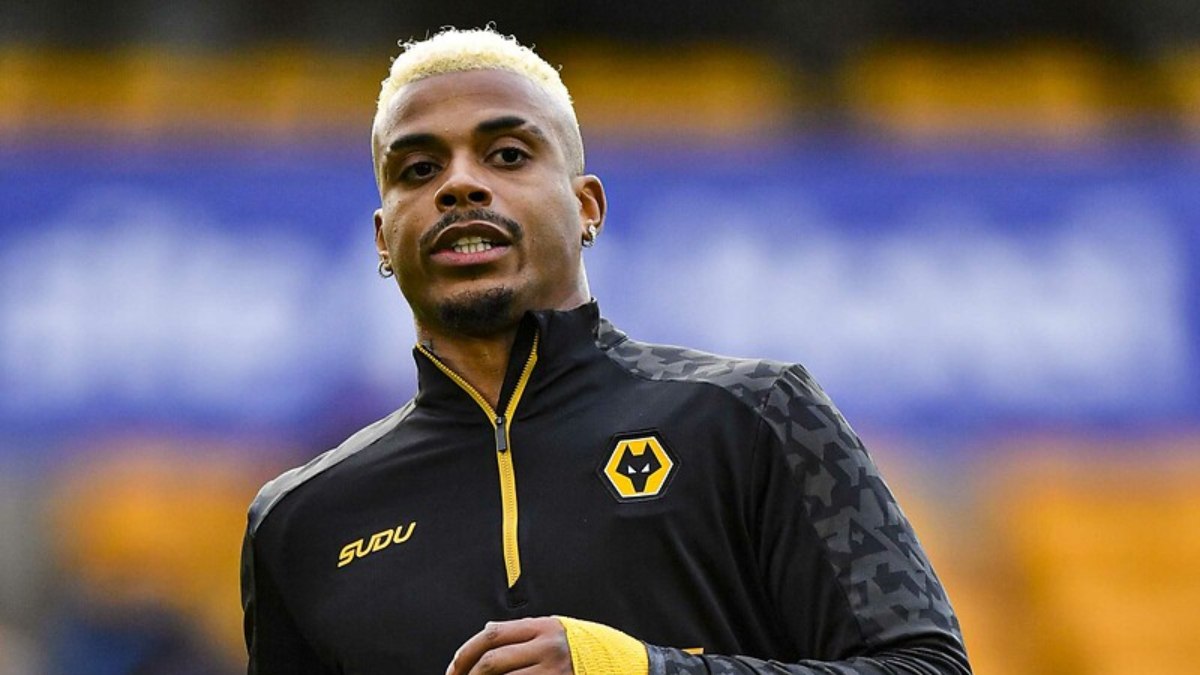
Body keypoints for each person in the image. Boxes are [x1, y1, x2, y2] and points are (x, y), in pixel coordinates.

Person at [240, 27, 971, 675]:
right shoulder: (299, 521)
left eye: (507, 155)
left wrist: (636, 670)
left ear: (586, 206)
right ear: (382, 239)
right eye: (419, 170)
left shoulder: (754, 416)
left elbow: (927, 667)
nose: (460, 184)